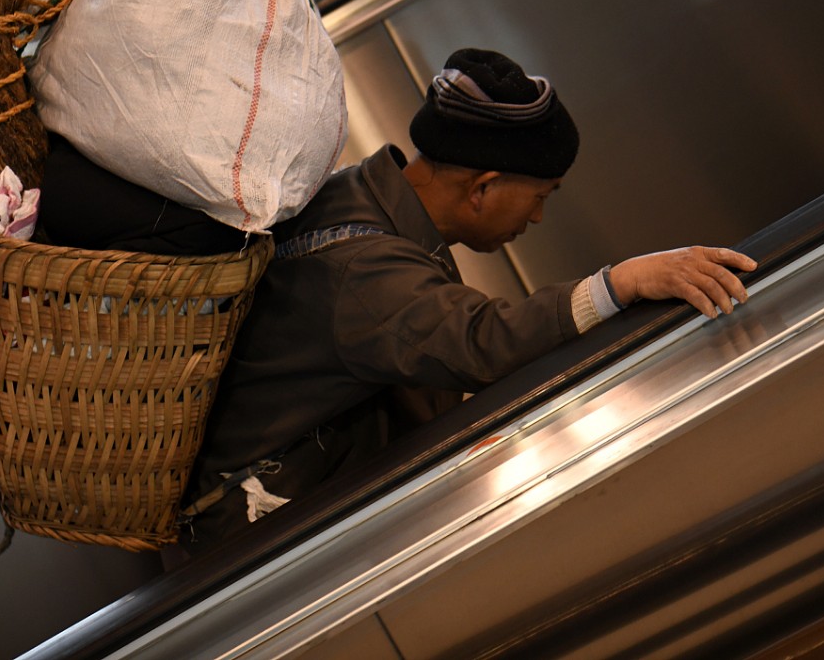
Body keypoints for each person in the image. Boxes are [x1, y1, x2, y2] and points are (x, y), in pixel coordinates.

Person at [179, 47, 757, 549]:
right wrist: (622, 282)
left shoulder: (357, 194)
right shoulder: (362, 269)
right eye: (539, 196)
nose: (536, 216)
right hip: (256, 533)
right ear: (483, 188)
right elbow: (477, 341)